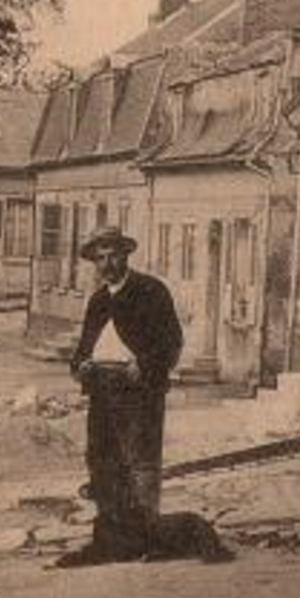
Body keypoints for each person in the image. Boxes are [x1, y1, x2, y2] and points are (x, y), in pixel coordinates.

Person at [56, 225, 183, 568]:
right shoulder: (98, 301)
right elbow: (83, 348)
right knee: (103, 462)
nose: (107, 263)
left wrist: (145, 365)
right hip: (103, 391)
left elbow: (171, 342)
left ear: (126, 255)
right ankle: (113, 538)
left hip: (140, 391)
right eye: (100, 258)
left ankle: (150, 538)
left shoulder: (151, 292)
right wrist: (80, 365)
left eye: (113, 255)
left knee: (141, 463)